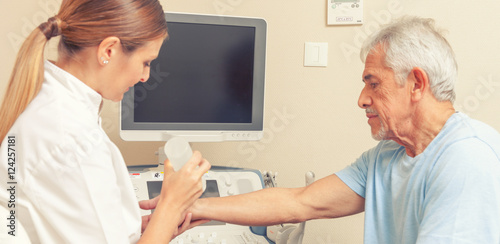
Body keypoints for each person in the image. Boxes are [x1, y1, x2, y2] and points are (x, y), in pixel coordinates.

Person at [188, 16, 500, 243]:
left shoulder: (467, 157)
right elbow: (300, 201)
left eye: (373, 84)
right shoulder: (387, 156)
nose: (362, 99)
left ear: (416, 84)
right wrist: (191, 207)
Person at [0, 0, 210, 243]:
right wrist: (171, 206)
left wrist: (140, 229)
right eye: (146, 62)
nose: (145, 77)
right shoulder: (73, 139)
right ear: (108, 50)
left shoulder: (54, 106)